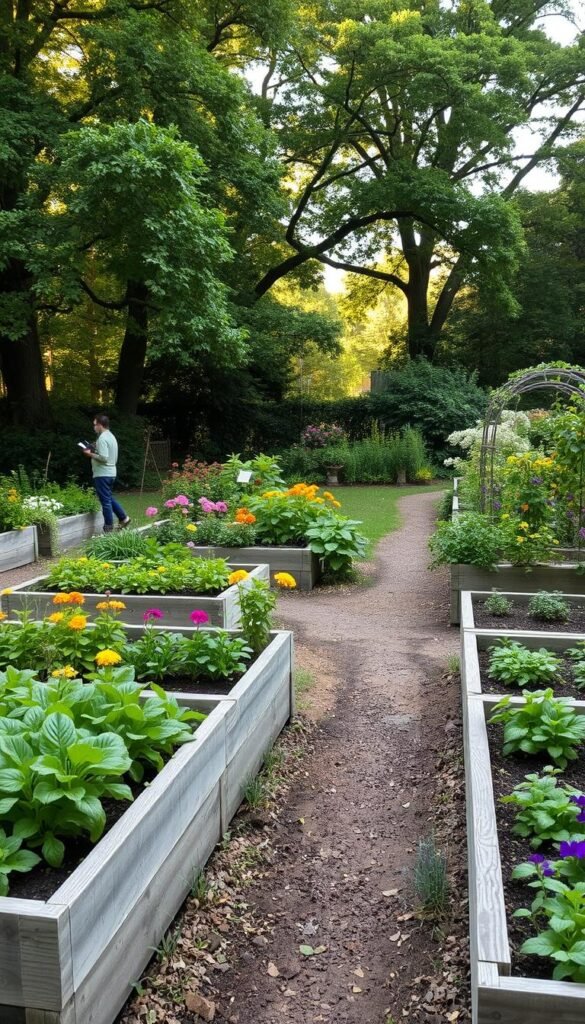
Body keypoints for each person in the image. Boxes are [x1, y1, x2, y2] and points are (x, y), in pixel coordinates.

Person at [83, 414, 131, 532]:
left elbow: (104, 457)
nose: (94, 427)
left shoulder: (103, 438)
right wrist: (96, 448)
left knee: (105, 502)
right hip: (111, 472)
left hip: (102, 474)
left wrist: (89, 454)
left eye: (95, 425)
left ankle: (108, 528)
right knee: (108, 497)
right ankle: (123, 518)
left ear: (100, 425)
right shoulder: (111, 436)